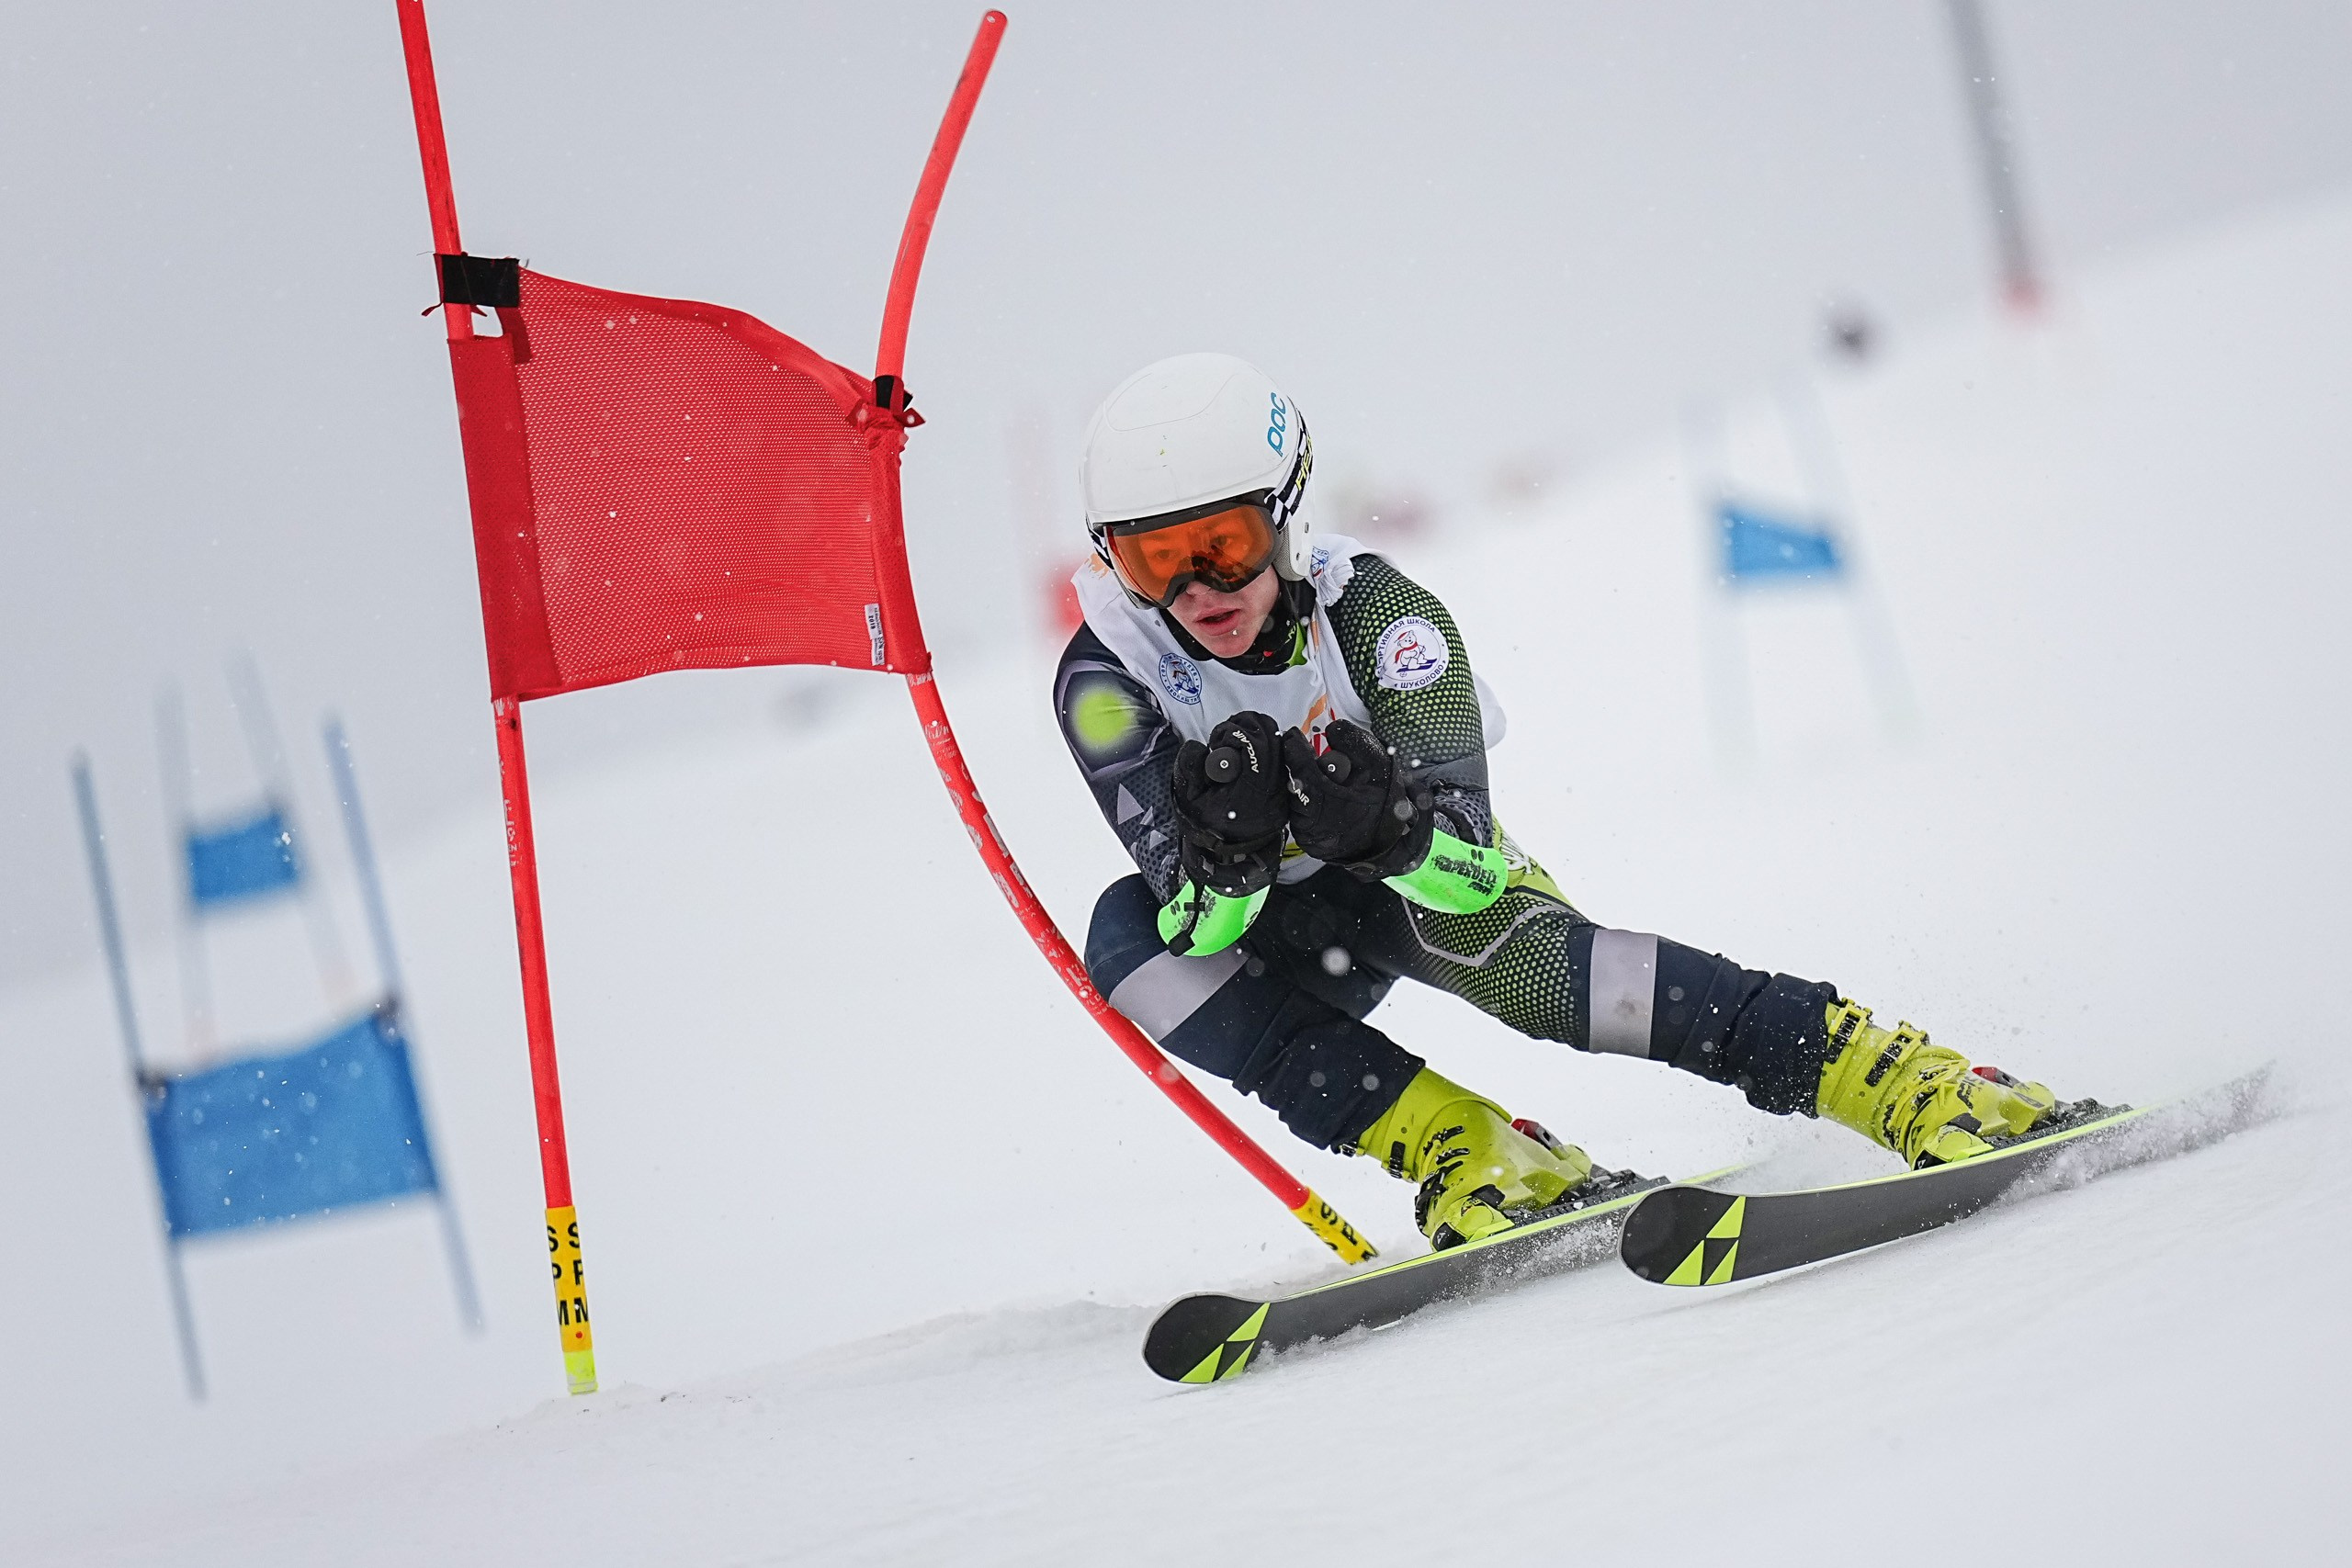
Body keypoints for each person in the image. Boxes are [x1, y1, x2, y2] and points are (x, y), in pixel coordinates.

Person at [1054, 353, 2062, 1249]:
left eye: (1223, 544)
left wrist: (1394, 838)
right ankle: (1469, 1146)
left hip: (1420, 894)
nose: (1196, 590)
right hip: (1279, 943)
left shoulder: (1381, 618)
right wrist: (1228, 866)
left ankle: (1890, 1074)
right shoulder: (1106, 684)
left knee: (1551, 981)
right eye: (1155, 561)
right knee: (1126, 944)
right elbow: (1194, 926)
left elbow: (1471, 870)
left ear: (1285, 514)